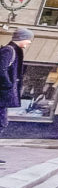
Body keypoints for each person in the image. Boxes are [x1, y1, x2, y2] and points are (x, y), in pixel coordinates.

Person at [0, 28, 31, 163]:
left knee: (2, 123)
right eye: (28, 39)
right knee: (1, 123)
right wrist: (8, 85)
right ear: (21, 38)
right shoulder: (9, 50)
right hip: (2, 95)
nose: (29, 42)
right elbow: (1, 70)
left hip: (3, 96)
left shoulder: (14, 51)